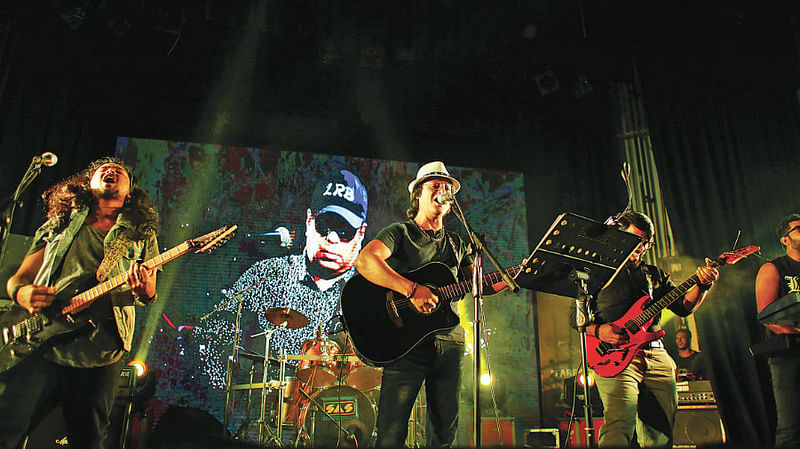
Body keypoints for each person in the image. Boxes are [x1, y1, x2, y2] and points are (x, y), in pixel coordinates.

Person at [0, 157, 160, 449]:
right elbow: (19, 279)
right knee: (7, 427)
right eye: (103, 169)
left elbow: (149, 295)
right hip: (41, 343)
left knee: (87, 439)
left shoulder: (140, 234)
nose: (111, 171)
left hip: (101, 350)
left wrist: (145, 290)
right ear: (87, 183)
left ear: (129, 192)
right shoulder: (59, 224)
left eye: (120, 171)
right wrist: (21, 293)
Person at [354, 161, 505, 447]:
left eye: (448, 187)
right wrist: (411, 289)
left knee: (444, 435)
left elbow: (477, 285)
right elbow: (365, 260)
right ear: (418, 195)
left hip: (450, 344)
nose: (443, 191)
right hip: (406, 345)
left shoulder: (459, 243)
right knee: (391, 434)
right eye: (436, 186)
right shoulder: (400, 233)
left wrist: (515, 275)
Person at [198, 168, 369, 384]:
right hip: (271, 402)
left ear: (361, 234)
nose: (332, 238)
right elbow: (214, 334)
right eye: (325, 225)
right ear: (309, 221)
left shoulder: (366, 290)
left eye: (344, 230)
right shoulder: (266, 275)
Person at [580, 211, 719, 447]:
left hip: (656, 353)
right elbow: (576, 319)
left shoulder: (653, 275)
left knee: (661, 430)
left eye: (646, 242)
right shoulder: (596, 272)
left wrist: (703, 286)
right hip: (613, 354)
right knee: (619, 426)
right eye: (637, 240)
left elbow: (684, 307)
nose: (642, 247)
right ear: (618, 237)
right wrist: (600, 331)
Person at [755, 213, 800, 448]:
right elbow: (767, 316)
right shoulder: (774, 268)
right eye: (799, 229)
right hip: (789, 356)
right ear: (785, 239)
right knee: (791, 426)